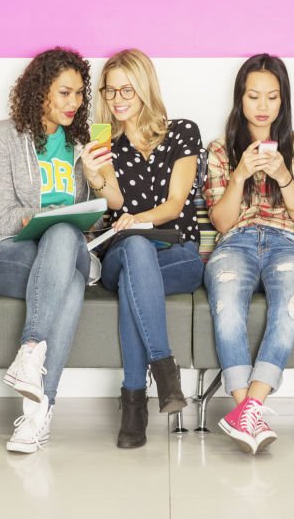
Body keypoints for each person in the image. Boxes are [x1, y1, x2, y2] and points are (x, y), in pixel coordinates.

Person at [0, 47, 111, 453]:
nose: (75, 103)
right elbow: (3, 216)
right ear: (40, 92)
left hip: (64, 253)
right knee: (67, 267)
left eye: (79, 94)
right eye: (65, 93)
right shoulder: (3, 136)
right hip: (5, 254)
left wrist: (92, 178)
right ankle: (40, 412)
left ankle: (31, 361)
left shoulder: (81, 145)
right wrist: (54, 215)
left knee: (66, 239)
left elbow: (96, 219)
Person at [203, 54, 294, 454]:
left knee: (288, 303)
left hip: (287, 241)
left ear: (283, 101)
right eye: (254, 96)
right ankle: (246, 411)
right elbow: (220, 222)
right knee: (228, 306)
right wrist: (239, 174)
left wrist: (284, 175)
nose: (263, 106)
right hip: (234, 241)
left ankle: (248, 408)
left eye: (272, 97)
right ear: (240, 99)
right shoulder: (219, 150)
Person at [90, 48, 203, 449]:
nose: (118, 100)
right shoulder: (105, 145)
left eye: (127, 91)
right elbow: (117, 203)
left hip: (178, 253)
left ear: (145, 90)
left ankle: (134, 405)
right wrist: (95, 175)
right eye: (110, 91)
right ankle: (165, 370)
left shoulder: (182, 132)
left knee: (135, 282)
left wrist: (139, 221)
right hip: (122, 255)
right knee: (136, 250)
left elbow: (174, 206)